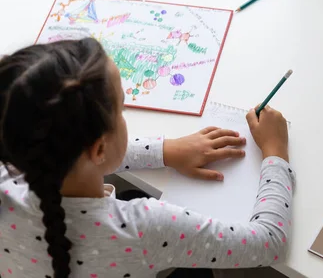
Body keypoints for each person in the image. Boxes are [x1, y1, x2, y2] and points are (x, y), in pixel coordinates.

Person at [0, 38, 294, 277]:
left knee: (129, 192)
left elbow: (73, 151)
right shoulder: (142, 229)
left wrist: (164, 151)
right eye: (121, 110)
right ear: (99, 149)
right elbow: (269, 243)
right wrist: (275, 153)